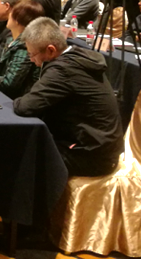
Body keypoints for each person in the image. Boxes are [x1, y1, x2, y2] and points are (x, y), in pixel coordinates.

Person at [13, 17, 122, 177]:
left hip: (92, 156)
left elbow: (25, 106)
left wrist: (17, 100)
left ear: (51, 50)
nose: (31, 60)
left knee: (20, 153)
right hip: (100, 148)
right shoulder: (77, 57)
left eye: (32, 54)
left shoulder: (63, 70)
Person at [0, 0, 44, 99]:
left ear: (17, 19)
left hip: (15, 99)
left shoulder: (25, 46)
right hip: (1, 91)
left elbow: (10, 83)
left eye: (11, 12)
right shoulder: (11, 39)